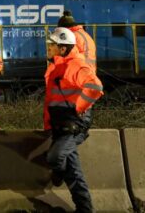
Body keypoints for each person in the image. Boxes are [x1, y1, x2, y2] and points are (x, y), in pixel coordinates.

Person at [44, 27, 103, 213]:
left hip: (74, 125)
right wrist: (48, 124)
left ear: (62, 48)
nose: (48, 48)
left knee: (55, 157)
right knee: (74, 173)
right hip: (60, 125)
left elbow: (95, 86)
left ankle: (58, 172)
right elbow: (51, 99)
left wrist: (80, 108)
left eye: (51, 45)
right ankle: (85, 209)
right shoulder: (56, 66)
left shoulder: (76, 65)